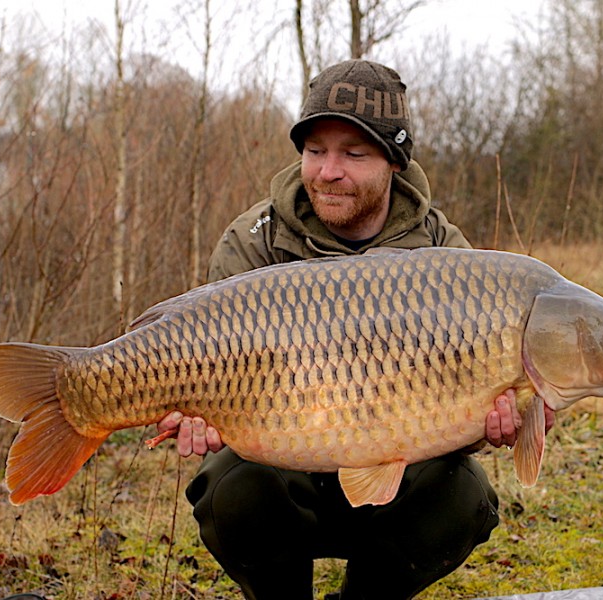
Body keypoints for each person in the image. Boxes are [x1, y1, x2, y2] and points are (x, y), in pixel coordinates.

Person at [156, 59, 555, 600]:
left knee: (464, 494)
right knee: (233, 489)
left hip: (397, 477)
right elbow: (205, 368)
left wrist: (493, 428)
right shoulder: (254, 243)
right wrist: (196, 416)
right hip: (281, 472)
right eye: (315, 150)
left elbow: (465, 416)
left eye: (354, 153)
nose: (327, 171)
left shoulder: (448, 258)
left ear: (393, 161)